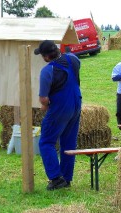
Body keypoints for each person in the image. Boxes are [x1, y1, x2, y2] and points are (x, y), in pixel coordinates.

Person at [34, 40, 82, 191]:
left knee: (46, 142)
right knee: (68, 143)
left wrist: (45, 106)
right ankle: (66, 179)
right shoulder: (73, 59)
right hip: (76, 103)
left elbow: (43, 98)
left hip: (60, 107)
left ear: (46, 57)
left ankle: (55, 178)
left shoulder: (47, 71)